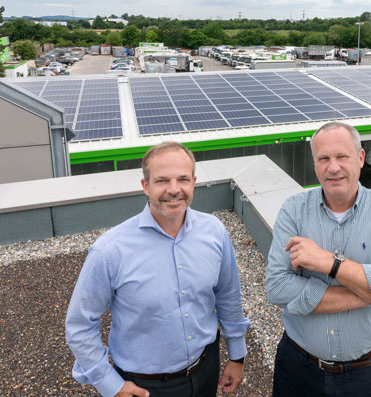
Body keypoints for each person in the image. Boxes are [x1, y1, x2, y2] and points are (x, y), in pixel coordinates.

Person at [65, 142, 251, 397]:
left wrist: (237, 355)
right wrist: (109, 384)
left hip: (206, 370)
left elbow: (228, 295)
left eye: (182, 179)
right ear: (146, 186)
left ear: (193, 182)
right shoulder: (109, 251)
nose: (174, 190)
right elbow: (79, 324)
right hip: (145, 387)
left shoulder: (215, 232)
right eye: (162, 180)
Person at [265, 122, 371, 397]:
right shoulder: (294, 210)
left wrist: (331, 263)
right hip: (297, 368)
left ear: (360, 158)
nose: (333, 167)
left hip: (364, 375)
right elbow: (277, 288)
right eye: (323, 158)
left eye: (342, 156)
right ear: (315, 163)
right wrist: (370, 293)